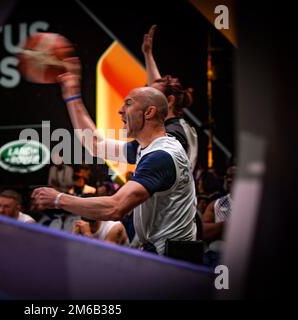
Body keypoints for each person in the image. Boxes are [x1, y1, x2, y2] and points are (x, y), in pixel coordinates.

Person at [32, 58, 197, 255]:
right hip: (163, 253)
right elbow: (95, 144)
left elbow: (115, 207)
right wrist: (72, 97)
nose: (120, 110)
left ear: (149, 112)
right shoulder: (146, 147)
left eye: (128, 103)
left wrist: (58, 199)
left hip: (176, 259)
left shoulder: (162, 155)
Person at [142, 25, 198, 170]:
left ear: (170, 102)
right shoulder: (179, 125)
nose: (146, 101)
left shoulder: (171, 135)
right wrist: (148, 55)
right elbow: (160, 90)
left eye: (151, 97)